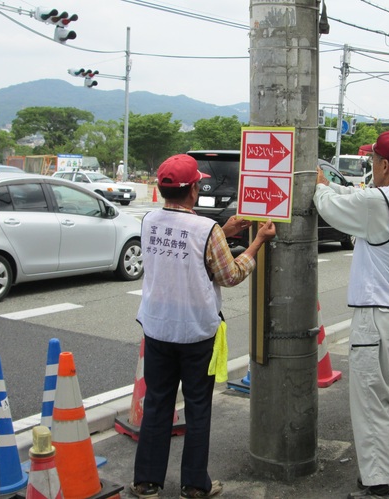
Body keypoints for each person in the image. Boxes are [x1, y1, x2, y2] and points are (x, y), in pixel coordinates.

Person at [131, 154, 276, 499]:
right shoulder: (204, 229)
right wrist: (256, 243)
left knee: (157, 404)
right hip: (196, 332)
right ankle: (195, 485)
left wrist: (223, 233)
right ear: (194, 189)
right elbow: (229, 274)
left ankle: (146, 482)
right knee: (197, 407)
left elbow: (184, 250)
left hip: (157, 328)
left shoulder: (150, 219)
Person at [313, 131, 389, 499]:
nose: (370, 169)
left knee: (371, 401)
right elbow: (360, 198)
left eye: (372, 162)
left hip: (379, 316)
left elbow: (331, 207)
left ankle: (383, 486)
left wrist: (319, 187)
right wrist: (335, 186)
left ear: (382, 165)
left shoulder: (380, 203)